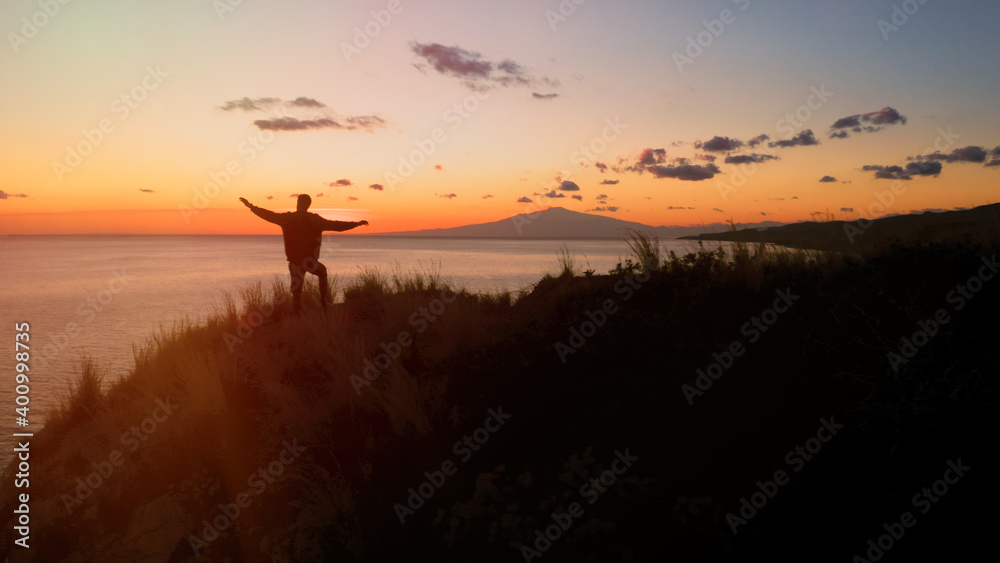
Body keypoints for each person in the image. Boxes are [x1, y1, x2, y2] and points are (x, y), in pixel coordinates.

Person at [240, 195, 368, 312]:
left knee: (297, 291)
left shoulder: (288, 218)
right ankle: (324, 303)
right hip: (310, 262)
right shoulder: (315, 220)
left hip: (295, 261)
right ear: (308, 205)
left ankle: (298, 314)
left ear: (298, 203)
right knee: (322, 272)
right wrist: (356, 224)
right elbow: (336, 225)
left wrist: (251, 206)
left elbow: (268, 215)